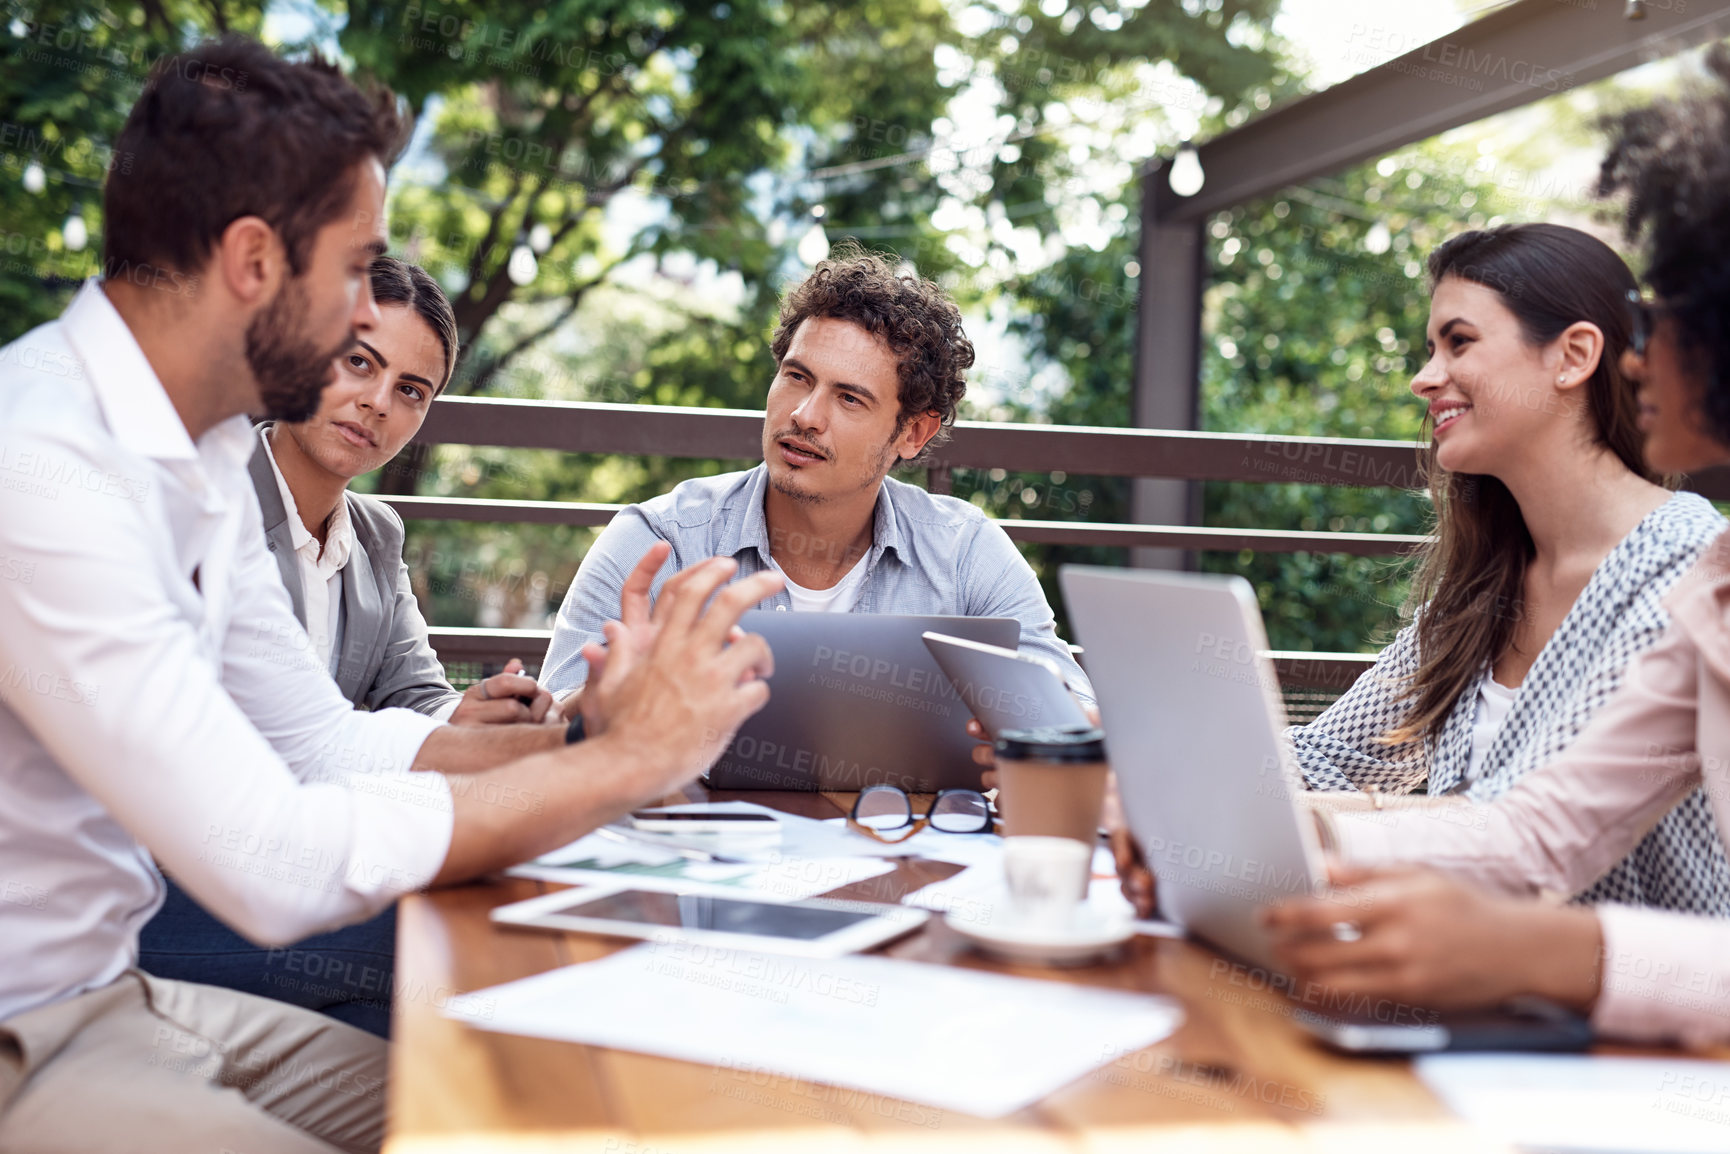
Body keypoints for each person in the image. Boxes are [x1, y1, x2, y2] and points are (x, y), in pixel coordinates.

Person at [0, 35, 781, 1154]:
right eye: (361, 267)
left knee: (519, 1109)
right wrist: (627, 763)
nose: (371, 308)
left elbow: (321, 739)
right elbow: (274, 867)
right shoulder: (43, 469)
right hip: (24, 1040)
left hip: (116, 997)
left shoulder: (205, 450)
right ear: (255, 263)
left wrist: (591, 734)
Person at [1263, 48, 1730, 1049]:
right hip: (1549, 1035)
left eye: (1669, 314)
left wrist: (1549, 956)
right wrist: (1258, 831)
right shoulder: (1713, 590)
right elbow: (1536, 833)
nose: (1642, 349)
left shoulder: (1685, 562)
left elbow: (1535, 849)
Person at [1115, 223, 1730, 921]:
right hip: (1476, 989)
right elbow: (1336, 759)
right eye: (1430, 348)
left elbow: (1522, 829)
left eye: (1459, 342)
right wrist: (1140, 757)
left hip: (1632, 1016)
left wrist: (1248, 832)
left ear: (1574, 355)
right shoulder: (1486, 581)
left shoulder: (1686, 570)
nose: (1424, 376)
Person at [137, 255, 553, 1038]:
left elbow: (415, 695)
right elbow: (275, 742)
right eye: (359, 362)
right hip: (179, 882)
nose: (376, 403)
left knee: (394, 1011)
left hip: (295, 859)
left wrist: (478, 716)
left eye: (410, 391)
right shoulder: (210, 500)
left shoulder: (375, 535)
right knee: (437, 935)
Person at [541, 246, 1093, 730]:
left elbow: (1074, 712)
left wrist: (1025, 723)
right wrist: (612, 695)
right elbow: (544, 725)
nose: (804, 415)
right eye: (797, 377)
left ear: (912, 432)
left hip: (902, 840)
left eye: (849, 398)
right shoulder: (662, 539)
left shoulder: (965, 550)